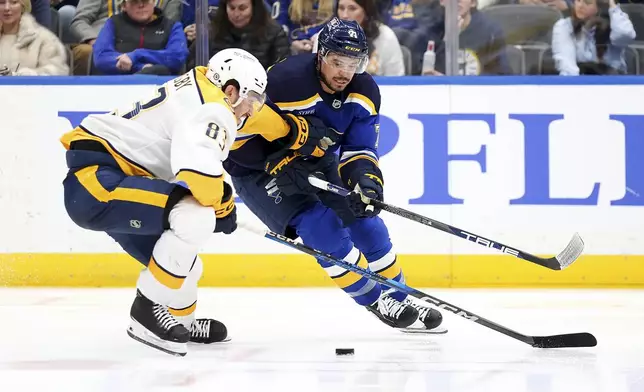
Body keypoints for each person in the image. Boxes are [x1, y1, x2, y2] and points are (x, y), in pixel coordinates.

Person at [225, 17, 445, 333]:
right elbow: (236, 140)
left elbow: (360, 148)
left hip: (316, 160)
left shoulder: (365, 91)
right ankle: (375, 300)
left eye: (353, 62)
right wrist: (276, 162)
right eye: (337, 61)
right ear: (321, 56)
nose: (344, 72)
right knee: (320, 227)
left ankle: (399, 296)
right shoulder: (284, 81)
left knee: (368, 223)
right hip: (257, 170)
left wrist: (366, 182)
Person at [60, 48, 268, 357]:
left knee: (186, 264)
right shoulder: (216, 108)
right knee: (196, 218)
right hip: (98, 183)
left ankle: (181, 320)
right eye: (252, 100)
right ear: (232, 89)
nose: (250, 111)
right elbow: (200, 173)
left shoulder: (197, 88)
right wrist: (223, 208)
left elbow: (202, 163)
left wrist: (223, 202)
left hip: (107, 181)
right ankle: (146, 310)